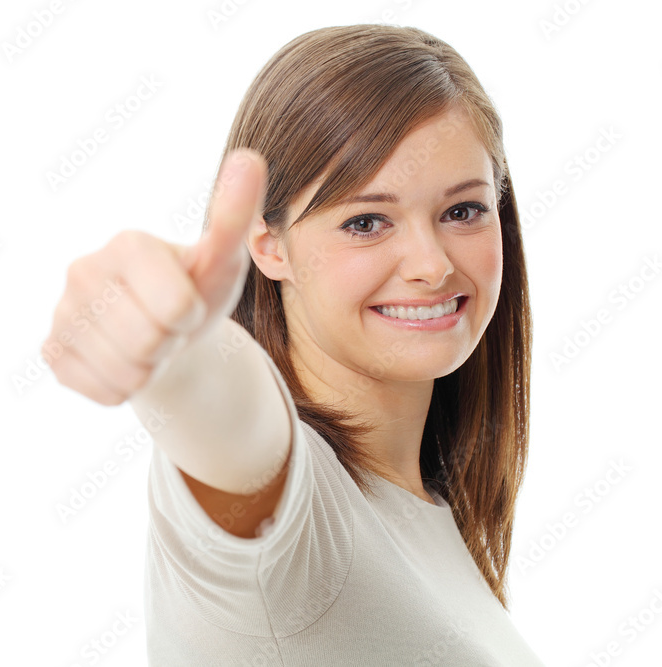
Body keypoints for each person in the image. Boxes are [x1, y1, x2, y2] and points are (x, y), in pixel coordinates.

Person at [43, 24, 546, 666]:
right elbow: (231, 422)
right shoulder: (296, 518)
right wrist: (174, 356)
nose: (431, 264)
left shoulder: (430, 509)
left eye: (463, 211)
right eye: (366, 221)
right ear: (269, 245)